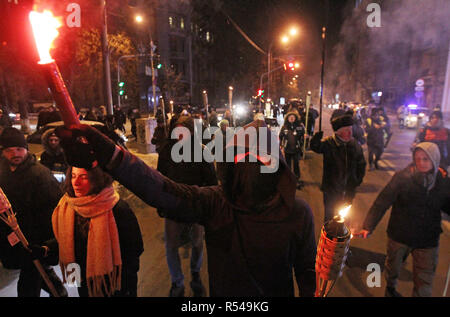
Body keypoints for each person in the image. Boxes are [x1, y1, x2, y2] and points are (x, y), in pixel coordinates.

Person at [56, 119, 317, 297]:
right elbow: (161, 190)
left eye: (260, 160)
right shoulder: (216, 203)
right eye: (242, 159)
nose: (250, 168)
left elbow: (307, 271)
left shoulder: (298, 213)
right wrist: (110, 155)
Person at [355, 142, 450, 297]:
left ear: (434, 159)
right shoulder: (402, 178)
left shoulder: (443, 182)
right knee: (392, 269)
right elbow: (382, 201)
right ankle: (390, 288)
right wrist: (368, 226)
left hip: (427, 241)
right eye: (418, 158)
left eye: (425, 159)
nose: (421, 163)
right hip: (400, 236)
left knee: (424, 281)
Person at [43, 166, 144, 297]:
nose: (76, 183)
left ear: (98, 179)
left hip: (115, 286)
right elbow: (68, 241)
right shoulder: (68, 206)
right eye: (73, 176)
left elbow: (134, 250)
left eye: (84, 177)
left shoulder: (117, 209)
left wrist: (124, 286)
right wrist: (46, 249)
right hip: (85, 284)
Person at [0, 127, 66, 297]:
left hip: (34, 240)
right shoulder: (3, 172)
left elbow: (55, 209)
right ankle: (60, 293)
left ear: (26, 149)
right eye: (9, 150)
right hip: (14, 237)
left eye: (19, 149)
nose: (15, 154)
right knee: (40, 273)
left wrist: (47, 244)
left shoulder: (40, 175)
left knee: (28, 284)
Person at [157, 115, 217, 297]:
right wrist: (160, 202)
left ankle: (195, 273)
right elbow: (159, 178)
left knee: (198, 243)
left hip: (195, 208)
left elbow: (211, 181)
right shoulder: (167, 151)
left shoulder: (201, 151)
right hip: (173, 208)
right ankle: (177, 282)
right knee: (171, 245)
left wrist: (207, 205)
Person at [310, 113, 366, 223]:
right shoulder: (329, 143)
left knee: (345, 217)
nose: (350, 133)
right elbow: (316, 147)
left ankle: (342, 238)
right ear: (338, 132)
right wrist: (316, 139)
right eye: (346, 130)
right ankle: (328, 238)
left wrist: (357, 180)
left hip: (349, 189)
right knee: (330, 217)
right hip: (331, 189)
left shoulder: (355, 145)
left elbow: (361, 164)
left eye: (350, 129)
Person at [279, 112, 305, 188]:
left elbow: (303, 135)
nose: (291, 119)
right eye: (290, 117)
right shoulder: (284, 127)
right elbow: (280, 136)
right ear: (287, 118)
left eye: (293, 117)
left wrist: (304, 137)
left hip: (296, 149)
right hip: (287, 149)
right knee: (288, 164)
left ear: (295, 118)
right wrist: (281, 145)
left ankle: (296, 178)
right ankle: (288, 178)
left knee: (296, 164)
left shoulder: (299, 126)